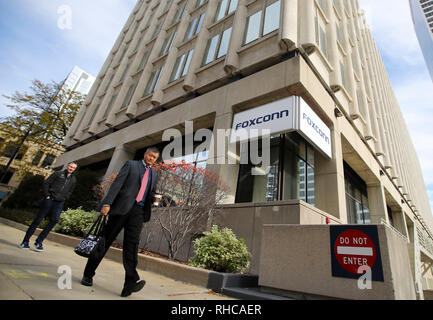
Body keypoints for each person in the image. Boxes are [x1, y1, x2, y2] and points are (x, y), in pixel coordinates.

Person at [81, 147, 160, 297]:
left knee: (132, 246)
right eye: (150, 156)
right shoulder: (131, 165)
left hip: (138, 212)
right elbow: (117, 184)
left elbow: (150, 192)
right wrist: (107, 203)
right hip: (121, 208)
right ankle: (88, 274)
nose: (152, 159)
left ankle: (129, 284)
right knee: (105, 241)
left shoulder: (154, 174)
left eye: (155, 158)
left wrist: (156, 199)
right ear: (145, 154)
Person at [20, 162, 78, 251]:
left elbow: (70, 191)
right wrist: (47, 195)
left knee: (55, 220)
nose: (71, 168)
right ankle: (25, 241)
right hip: (50, 199)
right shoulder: (58, 174)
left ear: (75, 169)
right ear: (67, 166)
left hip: (60, 202)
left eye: (73, 168)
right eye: (70, 166)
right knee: (38, 220)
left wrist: (65, 198)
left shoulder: (73, 179)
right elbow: (46, 183)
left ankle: (39, 242)